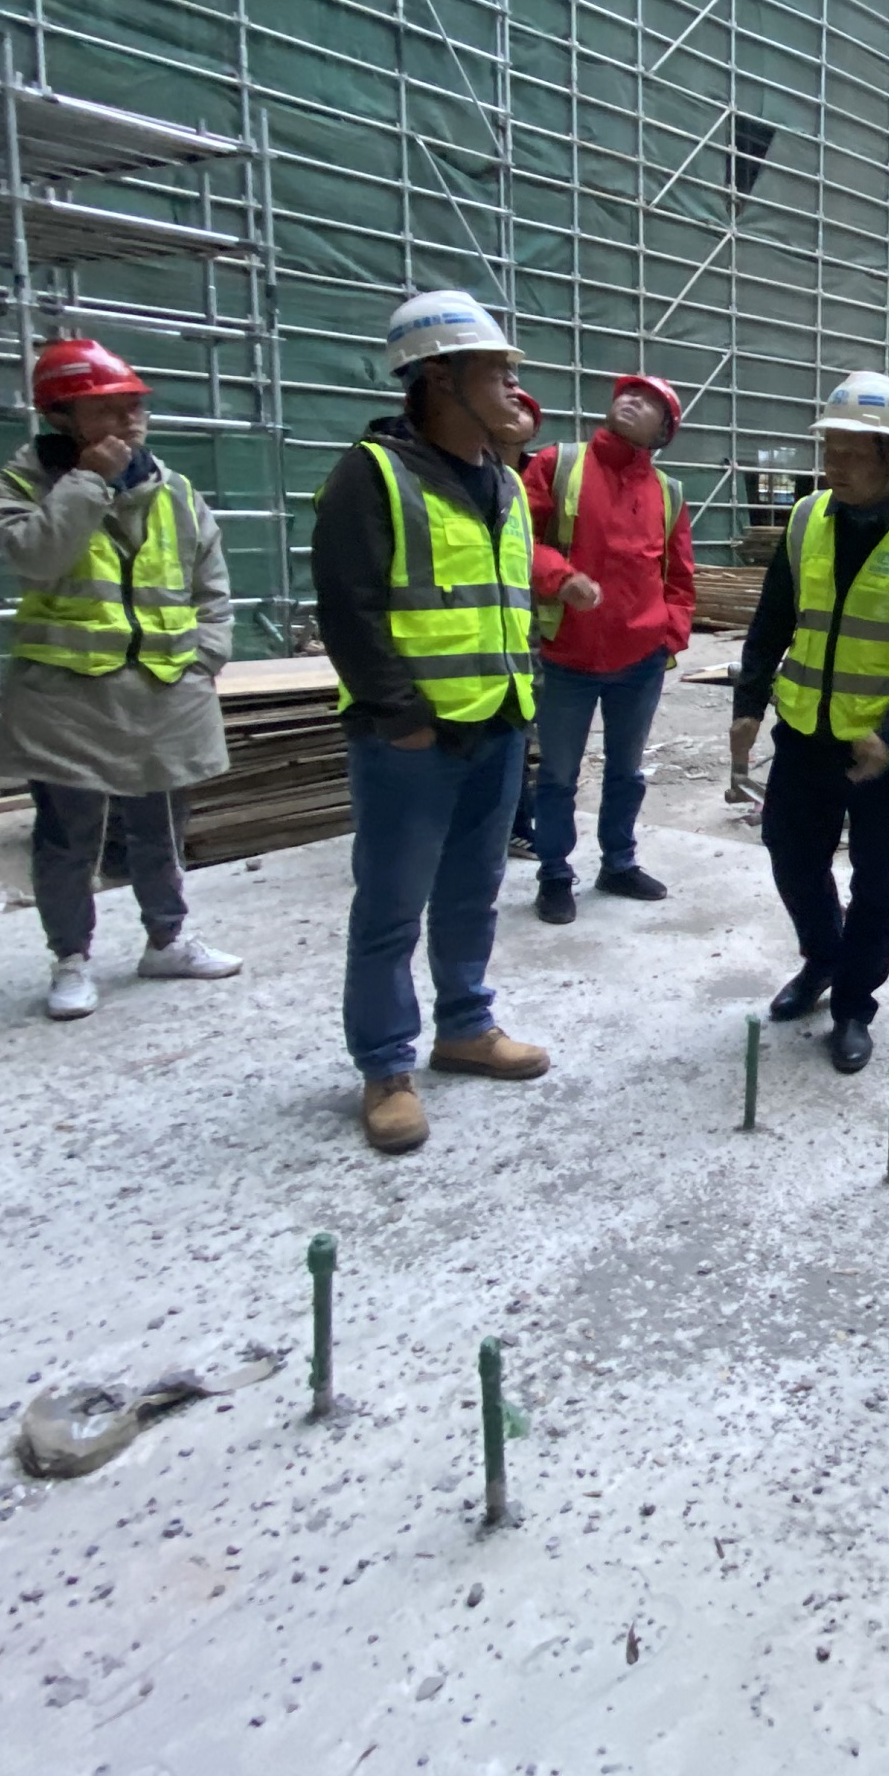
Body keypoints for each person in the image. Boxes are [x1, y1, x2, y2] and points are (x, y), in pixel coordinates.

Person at [310, 288, 548, 1155]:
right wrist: (400, 715)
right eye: (496, 371)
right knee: (391, 905)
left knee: (472, 892)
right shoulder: (371, 475)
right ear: (440, 377)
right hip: (411, 740)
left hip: (498, 723)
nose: (513, 386)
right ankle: (385, 1067)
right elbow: (349, 609)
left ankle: (465, 1026)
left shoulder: (505, 483)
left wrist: (523, 707)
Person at [0, 337, 245, 1021]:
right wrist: (87, 483)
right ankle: (71, 959)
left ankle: (167, 939)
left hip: (164, 688)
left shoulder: (175, 491)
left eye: (135, 406)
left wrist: (205, 657)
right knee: (69, 837)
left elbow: (211, 586)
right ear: (61, 416)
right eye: (108, 408)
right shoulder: (20, 486)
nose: (130, 421)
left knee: (162, 829)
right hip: (67, 697)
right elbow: (37, 557)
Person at [729, 373, 889, 1075]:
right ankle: (822, 958)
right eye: (827, 449)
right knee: (789, 853)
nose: (831, 464)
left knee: (878, 883)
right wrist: (748, 703)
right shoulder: (806, 519)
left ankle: (853, 1006)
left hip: (881, 753)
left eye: (847, 451)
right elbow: (772, 619)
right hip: (804, 734)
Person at [520, 373, 695, 923]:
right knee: (557, 776)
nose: (631, 400)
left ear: (663, 432)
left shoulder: (667, 492)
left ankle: (618, 863)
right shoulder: (559, 464)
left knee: (627, 773)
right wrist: (561, 578)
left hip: (639, 661)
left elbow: (680, 577)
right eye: (628, 393)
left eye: (648, 401)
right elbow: (520, 539)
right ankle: (554, 875)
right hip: (566, 657)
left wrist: (668, 634)